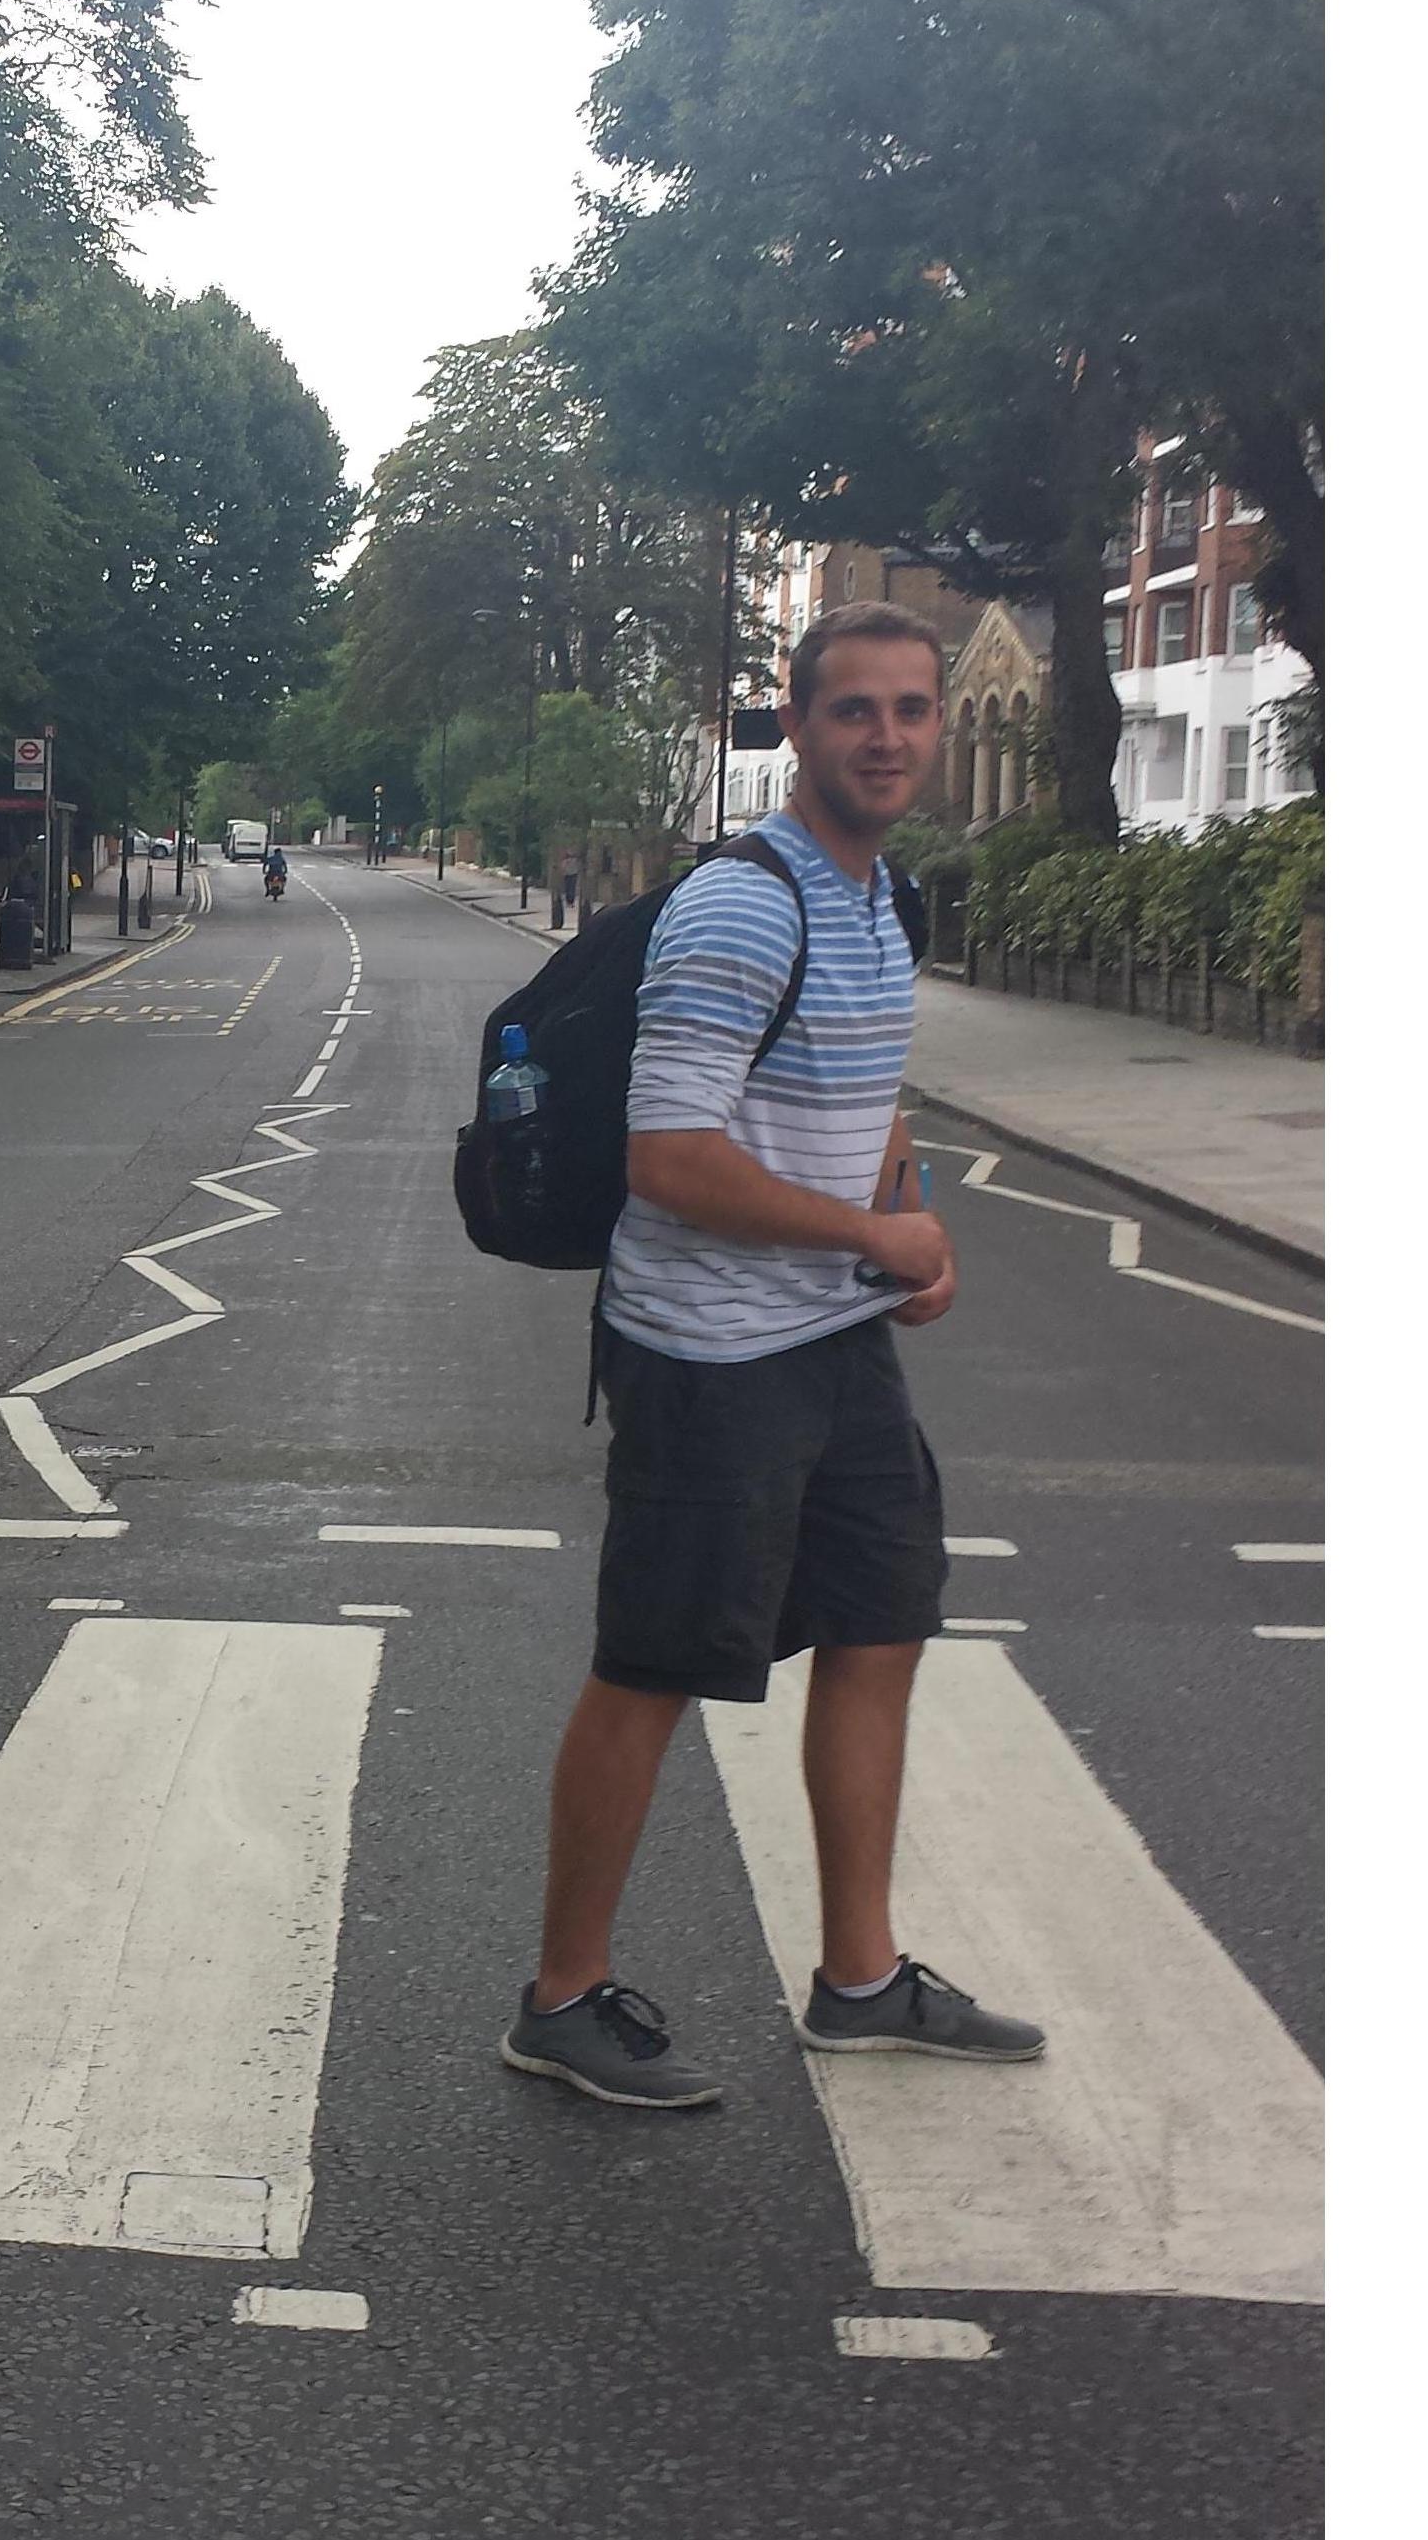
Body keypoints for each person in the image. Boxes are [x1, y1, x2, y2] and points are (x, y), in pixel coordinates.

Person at [501, 600, 1044, 2109]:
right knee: (655, 1666)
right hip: (711, 1351)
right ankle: (558, 1997)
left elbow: (866, 1093)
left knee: (880, 1627)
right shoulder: (747, 907)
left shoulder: (879, 897)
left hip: (831, 1337)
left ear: (938, 728)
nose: (885, 735)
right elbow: (667, 1157)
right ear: (794, 728)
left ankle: (860, 1980)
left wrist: (904, 1216)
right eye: (853, 709)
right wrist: (874, 1243)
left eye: (911, 710)